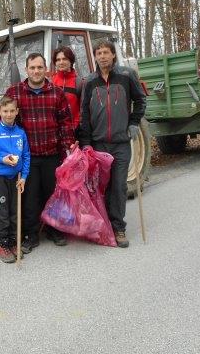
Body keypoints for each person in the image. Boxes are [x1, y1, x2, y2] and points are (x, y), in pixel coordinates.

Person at [5, 53, 76, 253]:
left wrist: (68, 147)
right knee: (30, 198)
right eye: (32, 68)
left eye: (39, 67)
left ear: (46, 69)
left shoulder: (56, 92)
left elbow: (65, 122)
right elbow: (9, 121)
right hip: (28, 156)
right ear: (26, 70)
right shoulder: (14, 92)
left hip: (52, 153)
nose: (36, 71)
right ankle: (31, 235)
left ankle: (55, 230)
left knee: (53, 195)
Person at [79, 40, 146, 248]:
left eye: (106, 52)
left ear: (113, 55)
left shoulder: (126, 76)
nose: (102, 56)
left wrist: (134, 123)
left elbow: (141, 100)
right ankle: (103, 225)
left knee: (118, 186)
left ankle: (118, 228)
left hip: (120, 143)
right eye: (98, 53)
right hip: (99, 144)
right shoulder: (89, 81)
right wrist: (86, 143)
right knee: (101, 187)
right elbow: (84, 114)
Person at [0, 96, 30, 263]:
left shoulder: (20, 133)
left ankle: (15, 242)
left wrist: (23, 176)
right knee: (2, 212)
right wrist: (2, 159)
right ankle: (3, 244)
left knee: (15, 210)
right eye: (5, 111)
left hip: (16, 178)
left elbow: (26, 155)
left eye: (12, 111)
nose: (8, 114)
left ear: (17, 112)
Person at [51, 46, 84, 131]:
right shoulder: (50, 82)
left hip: (74, 130)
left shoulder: (79, 82)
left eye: (64, 59)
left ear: (71, 61)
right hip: (55, 130)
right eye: (58, 60)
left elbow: (83, 110)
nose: (61, 62)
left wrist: (77, 126)